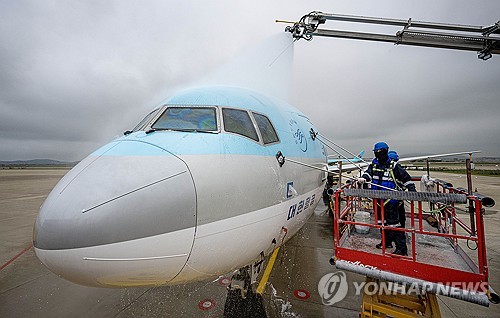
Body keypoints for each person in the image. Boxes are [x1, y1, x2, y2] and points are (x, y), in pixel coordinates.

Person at [357, 142, 416, 256]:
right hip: (379, 200)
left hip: (391, 200)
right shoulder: (374, 165)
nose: (378, 154)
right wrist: (363, 178)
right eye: (376, 152)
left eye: (380, 152)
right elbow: (368, 173)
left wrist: (411, 190)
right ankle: (387, 242)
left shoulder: (393, 166)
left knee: (394, 225)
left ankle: (401, 249)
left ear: (386, 151)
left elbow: (406, 178)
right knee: (382, 223)